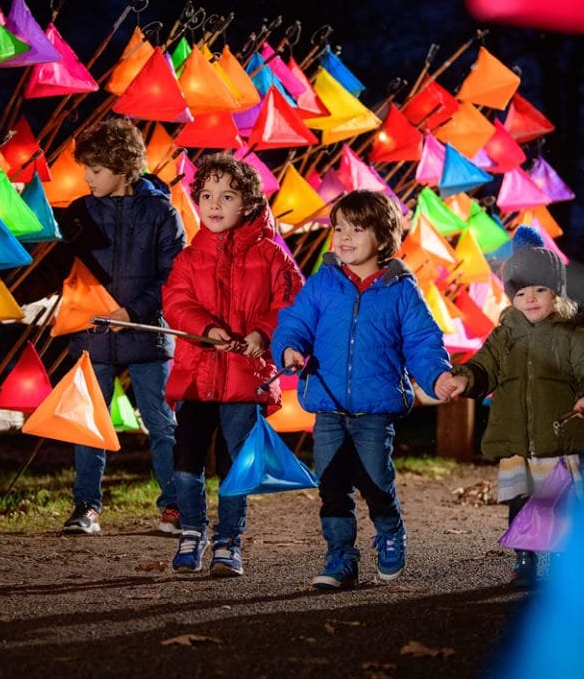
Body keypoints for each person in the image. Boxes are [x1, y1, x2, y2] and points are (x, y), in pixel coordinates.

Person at [272, 189, 455, 589]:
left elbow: (422, 341)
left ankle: (390, 530)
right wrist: (289, 348)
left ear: (383, 236)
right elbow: (295, 322)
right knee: (332, 485)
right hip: (328, 405)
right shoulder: (324, 283)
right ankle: (341, 556)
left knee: (375, 481)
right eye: (339, 229)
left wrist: (438, 376)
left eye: (357, 229)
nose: (345, 237)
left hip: (375, 408)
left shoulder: (400, 289)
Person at [435, 229, 584, 588]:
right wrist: (465, 378)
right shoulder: (505, 335)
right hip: (517, 438)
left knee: (559, 502)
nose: (530, 299)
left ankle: (562, 563)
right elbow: (484, 365)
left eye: (540, 290)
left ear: (556, 292)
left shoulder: (571, 334)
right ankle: (524, 558)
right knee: (520, 502)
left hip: (557, 437)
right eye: (521, 292)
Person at [161, 153, 303, 576]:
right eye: (206, 195)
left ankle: (228, 539)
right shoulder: (190, 257)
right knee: (186, 456)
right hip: (197, 372)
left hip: (245, 376)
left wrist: (262, 334)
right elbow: (176, 302)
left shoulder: (273, 256)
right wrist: (205, 328)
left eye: (227, 196)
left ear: (249, 203)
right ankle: (192, 530)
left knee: (235, 461)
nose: (214, 205)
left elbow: (291, 304)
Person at [57, 117, 186, 536]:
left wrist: (133, 313)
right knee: (89, 422)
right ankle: (86, 506)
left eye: (95, 170)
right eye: (86, 169)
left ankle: (176, 506)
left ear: (123, 167)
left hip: (148, 333)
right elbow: (64, 270)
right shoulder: (80, 212)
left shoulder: (162, 213)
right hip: (93, 334)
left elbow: (174, 276)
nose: (87, 178)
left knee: (162, 424)